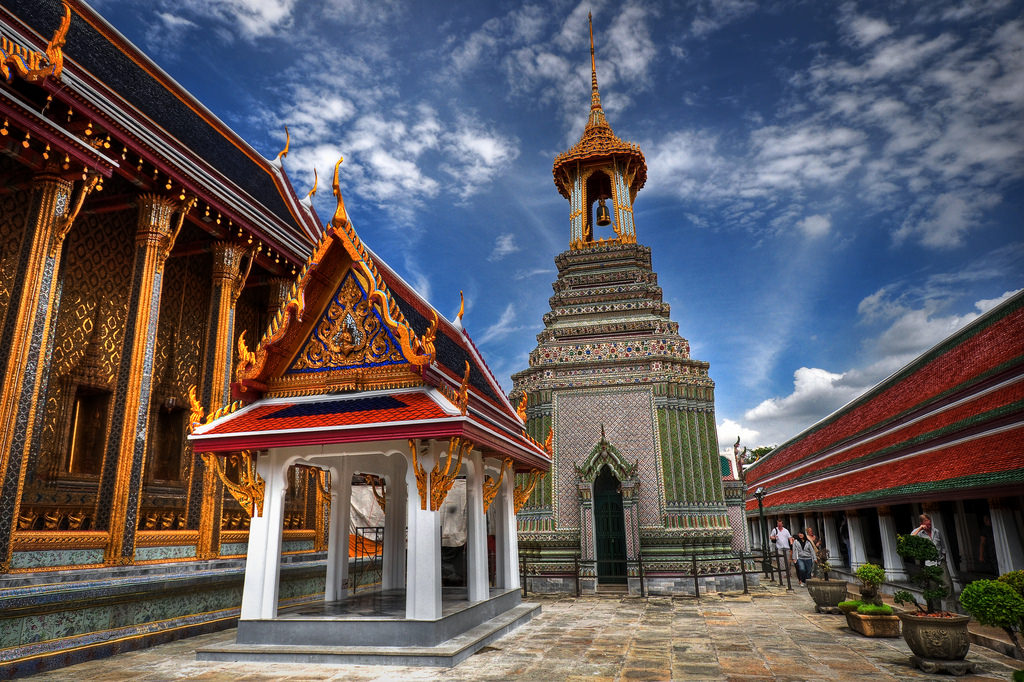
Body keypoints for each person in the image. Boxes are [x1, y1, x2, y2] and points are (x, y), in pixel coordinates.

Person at [911, 513, 953, 596]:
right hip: (929, 563)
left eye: (930, 523)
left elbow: (943, 546)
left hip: (940, 561)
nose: (929, 526)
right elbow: (910, 538)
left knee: (947, 584)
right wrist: (920, 528)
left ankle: (951, 607)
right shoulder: (919, 533)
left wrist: (944, 558)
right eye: (927, 524)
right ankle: (936, 608)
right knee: (933, 587)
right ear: (922, 524)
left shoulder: (936, 531)